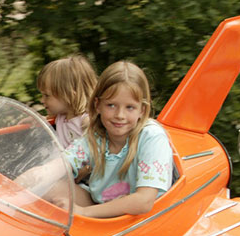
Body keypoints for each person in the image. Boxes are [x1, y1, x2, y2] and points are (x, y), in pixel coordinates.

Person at [64, 61, 174, 217]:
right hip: (100, 206)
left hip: (138, 219)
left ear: (142, 110)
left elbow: (144, 201)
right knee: (53, 186)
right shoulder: (95, 137)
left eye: (129, 107)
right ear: (98, 105)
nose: (120, 115)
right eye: (111, 105)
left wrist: (83, 212)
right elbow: (62, 164)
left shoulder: (152, 137)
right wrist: (35, 177)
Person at [37, 55, 97, 149]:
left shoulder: (86, 122)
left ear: (69, 95)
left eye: (47, 95)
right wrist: (36, 120)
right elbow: (47, 121)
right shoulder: (61, 116)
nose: (42, 100)